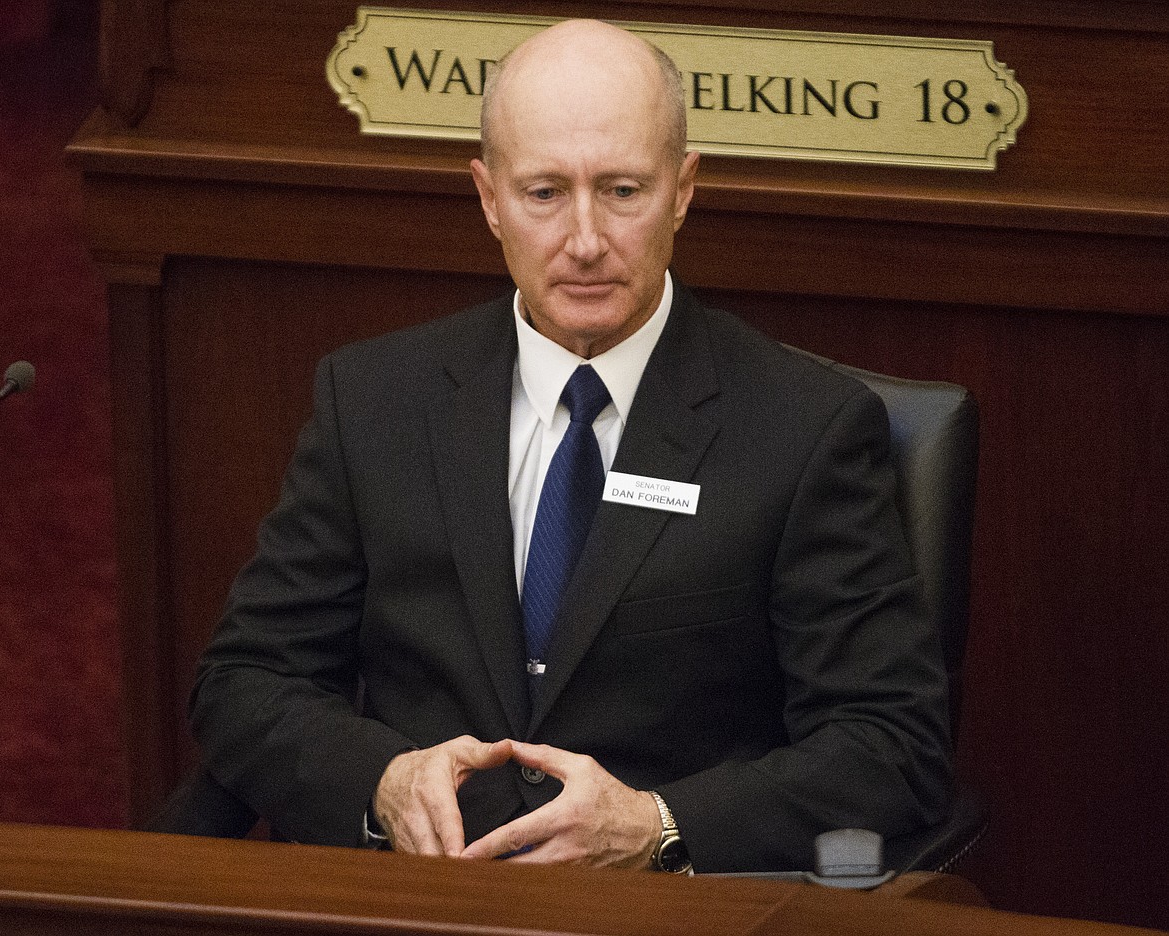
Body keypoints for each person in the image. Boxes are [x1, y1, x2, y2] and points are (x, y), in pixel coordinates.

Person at [190, 18, 951, 873]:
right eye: (544, 193)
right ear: (488, 199)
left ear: (683, 190)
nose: (585, 241)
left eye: (623, 191)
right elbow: (246, 681)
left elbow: (891, 742)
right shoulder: (374, 403)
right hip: (417, 902)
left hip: (666, 917)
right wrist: (384, 783)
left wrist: (658, 825)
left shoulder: (803, 428)